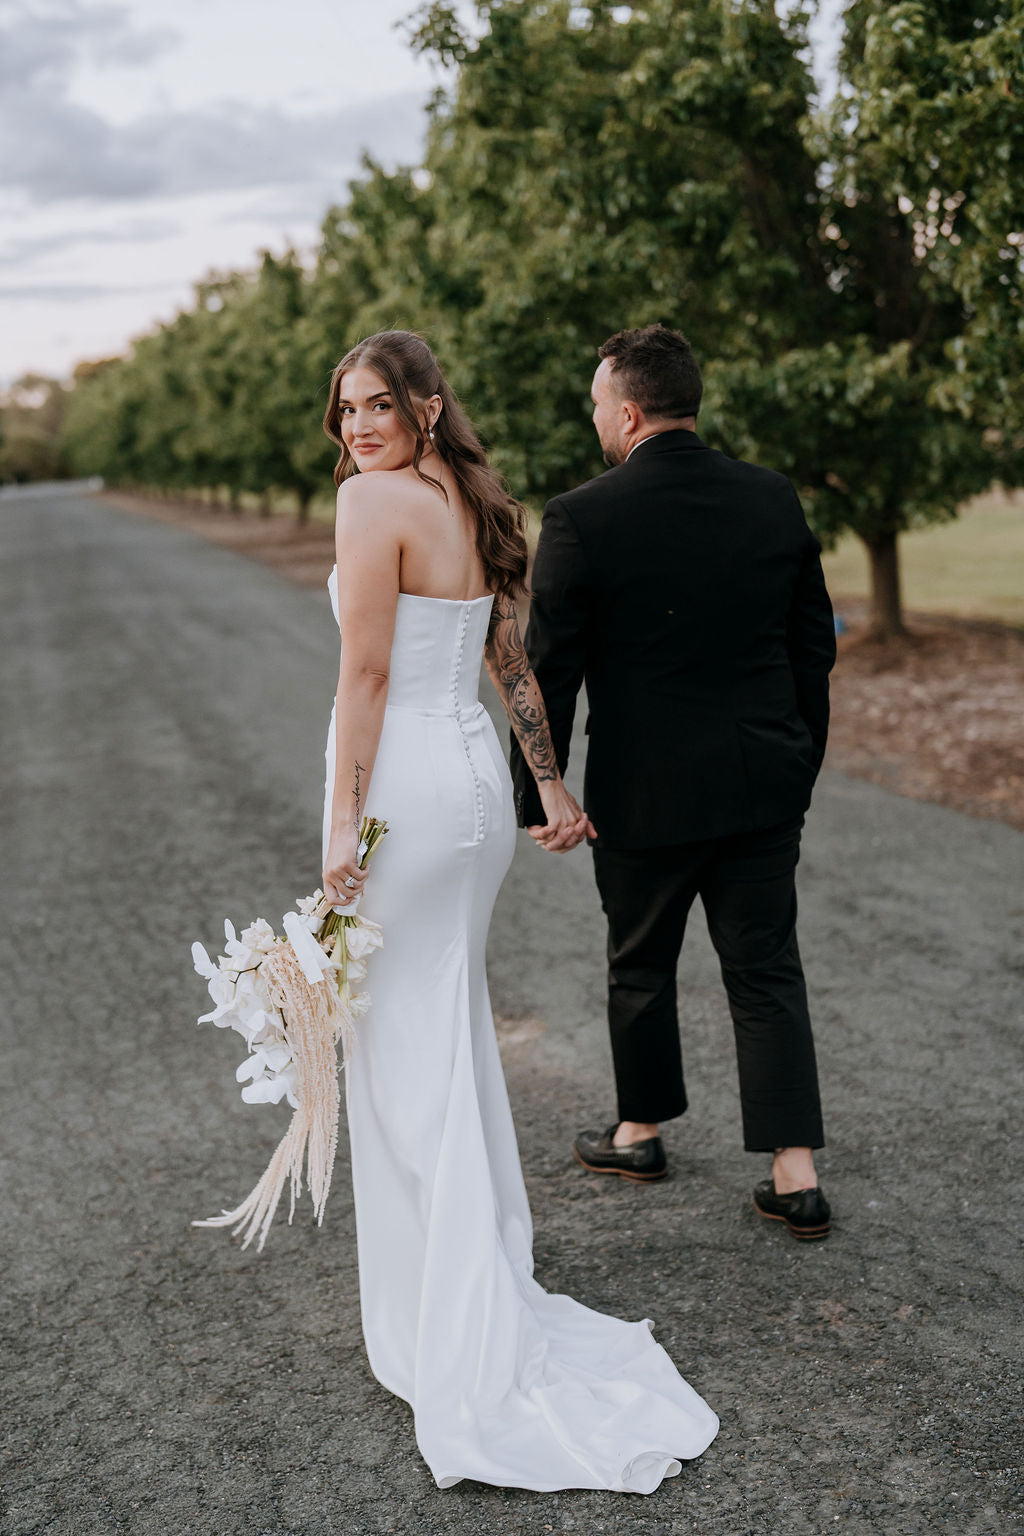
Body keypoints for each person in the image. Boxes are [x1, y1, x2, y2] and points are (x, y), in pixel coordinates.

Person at [319, 330, 718, 1493]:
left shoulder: (373, 505)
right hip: (473, 802)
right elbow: (513, 661)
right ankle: (473, 1279)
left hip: (403, 791)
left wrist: (343, 824)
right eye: (345, 411)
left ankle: (458, 1315)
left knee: (405, 1051)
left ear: (428, 407)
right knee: (439, 1034)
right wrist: (544, 783)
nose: (357, 429)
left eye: (378, 407)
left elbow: (367, 678)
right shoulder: (474, 495)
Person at [510, 324, 836, 1241]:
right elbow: (814, 646)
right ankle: (794, 1172)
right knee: (766, 970)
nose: (597, 427)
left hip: (643, 795)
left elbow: (551, 667)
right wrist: (798, 760)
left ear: (627, 411)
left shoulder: (582, 515)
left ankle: (640, 1130)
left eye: (596, 411)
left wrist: (543, 791)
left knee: (641, 964)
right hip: (761, 782)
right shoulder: (772, 498)